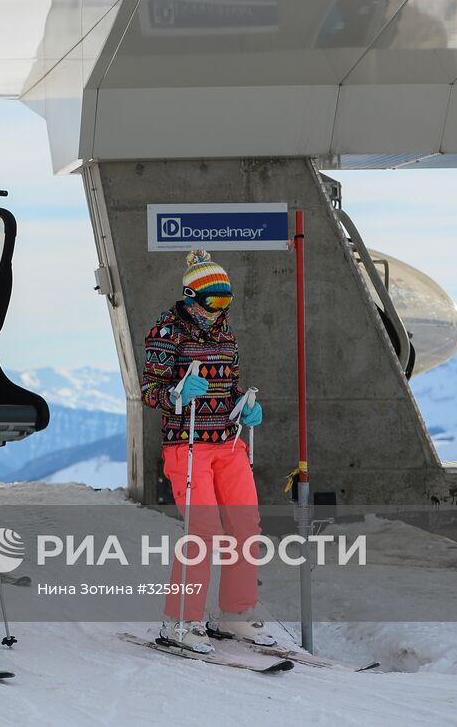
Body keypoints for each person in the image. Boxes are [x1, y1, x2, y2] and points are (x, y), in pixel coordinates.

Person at [140, 249, 272, 652]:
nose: (220, 309)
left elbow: (230, 384)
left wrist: (243, 405)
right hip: (188, 444)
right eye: (214, 301)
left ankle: (235, 614)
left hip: (228, 443)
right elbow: (149, 390)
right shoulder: (166, 331)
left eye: (227, 300)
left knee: (245, 527)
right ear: (191, 296)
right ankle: (180, 621)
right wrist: (175, 394)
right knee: (204, 532)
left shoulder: (225, 333)